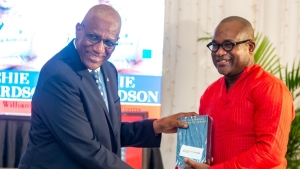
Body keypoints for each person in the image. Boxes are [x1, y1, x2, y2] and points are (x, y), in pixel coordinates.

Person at [18, 4, 197, 169]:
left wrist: (157, 126)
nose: (99, 49)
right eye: (93, 37)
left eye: (109, 42)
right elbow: (86, 147)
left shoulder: (108, 70)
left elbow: (108, 132)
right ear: (79, 30)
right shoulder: (58, 75)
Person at [181, 16, 295, 168]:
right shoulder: (210, 93)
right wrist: (187, 163)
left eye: (228, 45)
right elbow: (203, 149)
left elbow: (270, 153)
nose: (219, 52)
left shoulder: (271, 88)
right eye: (215, 45)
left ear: (250, 47)